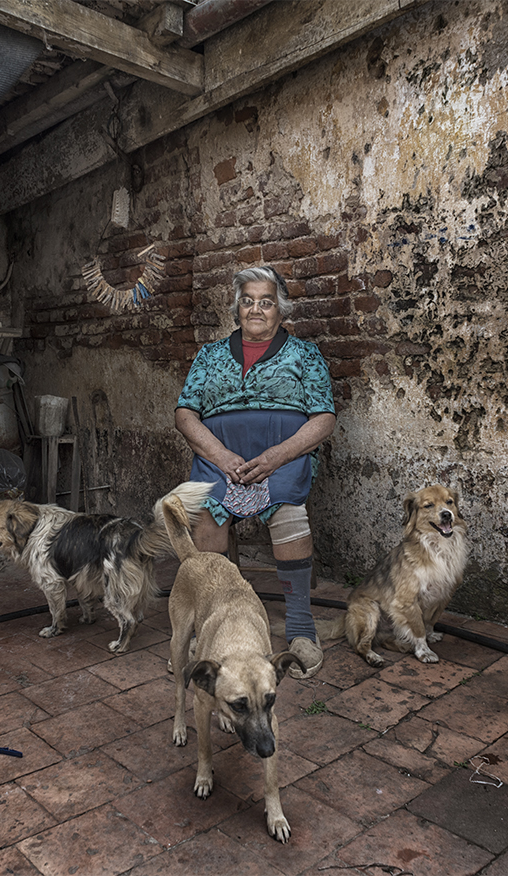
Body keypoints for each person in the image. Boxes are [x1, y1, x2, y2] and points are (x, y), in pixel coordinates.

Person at [175, 265, 337, 678]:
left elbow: (323, 418)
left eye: (266, 301)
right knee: (208, 515)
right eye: (247, 300)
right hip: (219, 457)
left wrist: (277, 456)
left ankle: (300, 626)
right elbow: (185, 414)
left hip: (282, 456)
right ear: (237, 307)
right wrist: (222, 456)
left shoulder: (305, 354)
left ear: (280, 309)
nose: (256, 309)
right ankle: (213, 620)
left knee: (288, 513)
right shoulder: (210, 356)